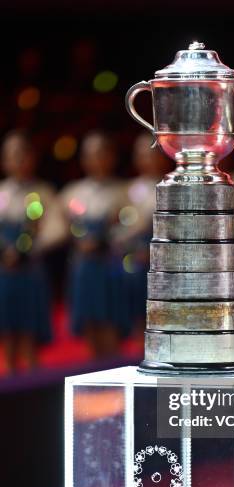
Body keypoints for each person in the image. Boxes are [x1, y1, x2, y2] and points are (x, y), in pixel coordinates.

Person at [60, 131, 131, 357]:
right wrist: (78, 238)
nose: (96, 159)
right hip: (84, 267)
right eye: (90, 154)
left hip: (110, 266)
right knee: (89, 321)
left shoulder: (123, 191)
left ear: (112, 157)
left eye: (102, 153)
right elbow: (62, 227)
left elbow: (132, 225)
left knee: (111, 321)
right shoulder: (72, 192)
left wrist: (106, 239)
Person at [0, 131, 53, 371]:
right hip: (4, 270)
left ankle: (33, 384)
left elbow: (55, 230)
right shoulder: (2, 192)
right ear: (4, 160)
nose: (19, 160)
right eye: (13, 155)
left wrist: (27, 250)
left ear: (32, 158)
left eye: (24, 154)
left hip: (30, 269)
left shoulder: (42, 192)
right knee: (7, 330)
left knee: (29, 330)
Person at [120, 133, 168, 325]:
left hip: (165, 264)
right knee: (138, 316)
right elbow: (122, 226)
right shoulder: (129, 189)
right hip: (137, 262)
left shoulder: (171, 185)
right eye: (142, 155)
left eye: (152, 154)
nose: (148, 160)